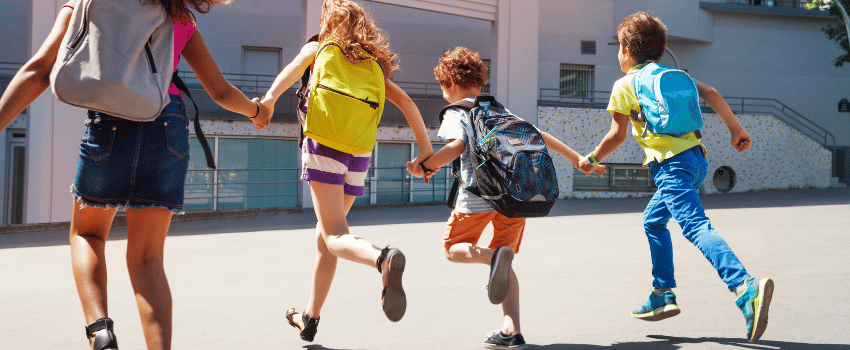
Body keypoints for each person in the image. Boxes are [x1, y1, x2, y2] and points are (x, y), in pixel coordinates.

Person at [0, 1, 271, 349]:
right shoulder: (178, 14)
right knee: (147, 258)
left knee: (87, 233)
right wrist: (257, 111)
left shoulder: (87, 2)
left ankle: (100, 330)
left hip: (110, 123)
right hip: (167, 124)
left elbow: (38, 70)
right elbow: (219, 91)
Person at [576, 11, 774, 344]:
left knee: (695, 226)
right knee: (653, 220)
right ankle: (662, 294)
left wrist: (592, 159)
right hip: (696, 160)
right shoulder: (675, 74)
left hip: (671, 167)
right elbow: (711, 93)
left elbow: (616, 135)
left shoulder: (625, 85)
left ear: (626, 50)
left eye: (619, 48)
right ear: (659, 50)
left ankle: (745, 288)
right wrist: (736, 130)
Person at [258, 0, 434, 342]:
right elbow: (409, 104)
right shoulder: (373, 64)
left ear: (328, 21)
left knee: (335, 236)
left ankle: (382, 259)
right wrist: (426, 154)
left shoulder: (320, 47)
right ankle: (310, 318)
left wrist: (267, 101)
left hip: (324, 146)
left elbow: (292, 70)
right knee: (326, 240)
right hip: (359, 156)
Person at [407, 47, 604, 350]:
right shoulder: (499, 110)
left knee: (452, 249)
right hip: (514, 197)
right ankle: (512, 331)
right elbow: (538, 134)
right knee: (505, 257)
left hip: (476, 197)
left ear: (449, 81)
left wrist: (425, 166)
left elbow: (457, 146)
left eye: (442, 87)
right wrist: (578, 160)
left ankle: (491, 258)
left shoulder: (457, 111)